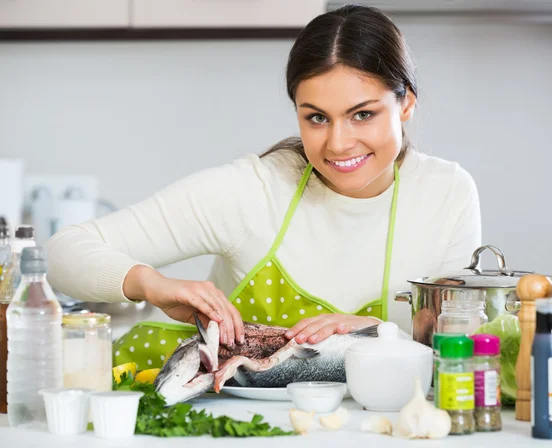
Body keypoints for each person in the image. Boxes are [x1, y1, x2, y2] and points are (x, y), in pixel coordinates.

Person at [47, 5, 481, 369]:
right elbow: (63, 251)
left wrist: (373, 331)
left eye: (362, 114)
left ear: (405, 103)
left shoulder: (446, 194)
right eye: (316, 117)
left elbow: (457, 348)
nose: (338, 142)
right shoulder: (253, 191)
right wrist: (149, 284)